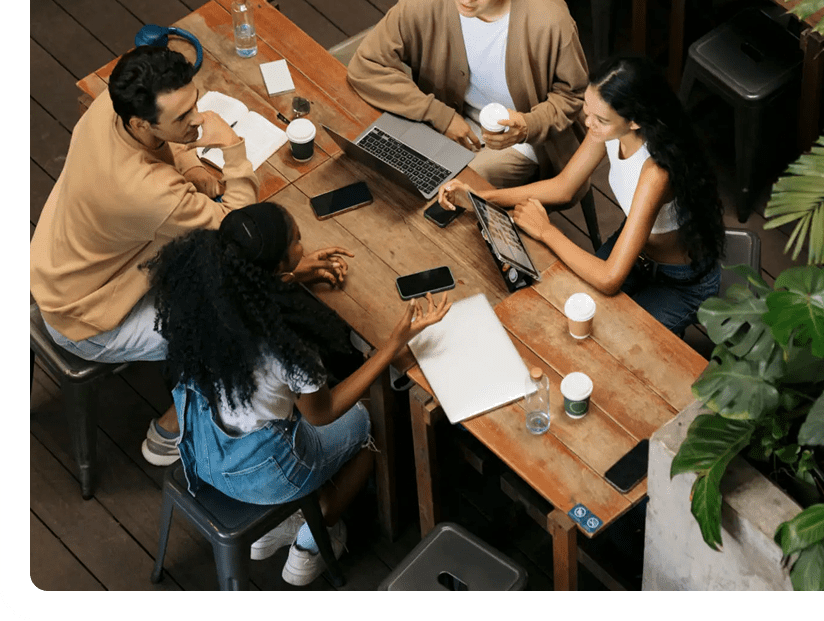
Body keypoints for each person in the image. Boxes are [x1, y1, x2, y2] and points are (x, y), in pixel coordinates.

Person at [144, 202, 451, 586]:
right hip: (268, 472)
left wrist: (287, 275)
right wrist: (391, 347)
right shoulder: (288, 349)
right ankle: (312, 538)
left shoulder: (200, 305)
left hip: (205, 457)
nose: (303, 245)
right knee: (369, 418)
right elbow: (324, 413)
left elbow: (249, 292)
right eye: (297, 241)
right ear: (274, 264)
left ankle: (275, 524)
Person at [29, 45, 260, 466]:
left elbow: (167, 145)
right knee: (233, 320)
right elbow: (237, 225)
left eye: (195, 104)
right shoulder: (148, 193)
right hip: (86, 318)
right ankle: (171, 430)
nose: (197, 120)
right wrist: (233, 147)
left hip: (56, 267)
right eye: (183, 118)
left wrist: (189, 163)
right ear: (141, 122)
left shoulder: (110, 105)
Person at [440, 57, 725, 334]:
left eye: (600, 119)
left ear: (635, 121)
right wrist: (485, 196)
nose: (589, 123)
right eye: (587, 110)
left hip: (679, 282)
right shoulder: (606, 128)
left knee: (611, 341)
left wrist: (545, 231)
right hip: (636, 254)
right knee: (570, 312)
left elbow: (610, 278)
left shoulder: (655, 172)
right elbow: (564, 186)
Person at [347, 0, 589, 190]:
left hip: (522, 141)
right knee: (385, 165)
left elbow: (573, 96)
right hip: (447, 124)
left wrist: (526, 124)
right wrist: (440, 115)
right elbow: (366, 65)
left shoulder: (550, 21)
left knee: (449, 185)